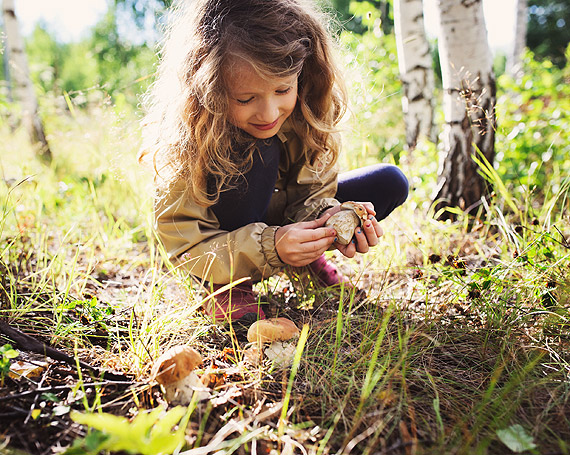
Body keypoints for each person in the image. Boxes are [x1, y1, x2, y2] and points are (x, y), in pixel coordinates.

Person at [139, 0, 408, 327]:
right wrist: (273, 246)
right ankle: (226, 286)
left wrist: (324, 219)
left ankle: (308, 260)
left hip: (277, 217)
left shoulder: (309, 111)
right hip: (219, 244)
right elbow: (185, 243)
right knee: (258, 149)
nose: (268, 114)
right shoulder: (189, 137)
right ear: (210, 89)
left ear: (303, 73)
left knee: (389, 181)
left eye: (282, 89)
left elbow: (311, 192)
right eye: (245, 99)